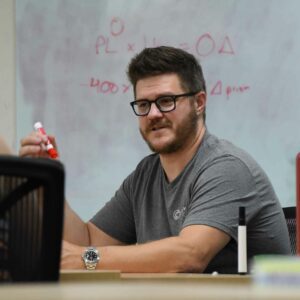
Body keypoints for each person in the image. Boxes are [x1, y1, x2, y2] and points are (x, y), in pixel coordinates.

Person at [19, 46, 291, 274]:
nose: (153, 114)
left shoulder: (227, 168)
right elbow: (88, 240)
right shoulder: (145, 175)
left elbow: (190, 254)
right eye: (143, 104)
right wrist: (46, 176)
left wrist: (84, 260)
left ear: (199, 102)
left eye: (166, 101)